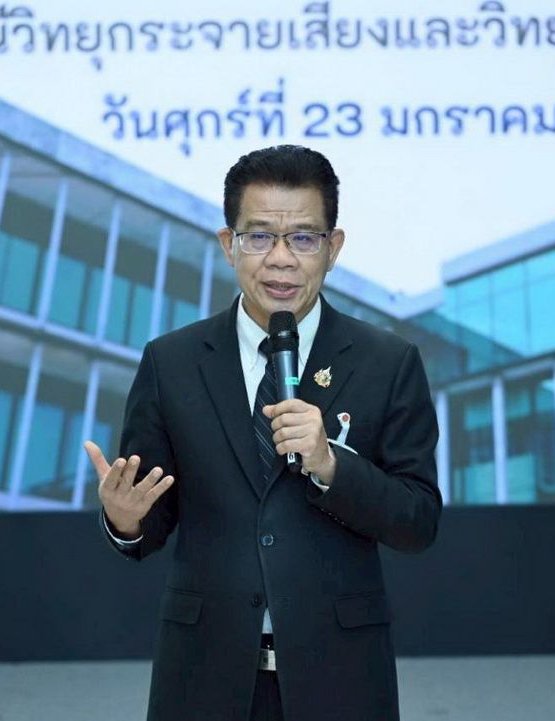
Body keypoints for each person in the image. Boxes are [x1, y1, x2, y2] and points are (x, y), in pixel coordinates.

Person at [83, 145, 441, 721]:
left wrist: (331, 465)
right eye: (259, 237)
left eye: (303, 238)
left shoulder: (387, 362)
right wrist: (125, 520)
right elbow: (152, 521)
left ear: (333, 248)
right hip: (203, 675)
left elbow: (417, 521)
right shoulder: (172, 362)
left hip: (340, 675)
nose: (281, 260)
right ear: (229, 244)